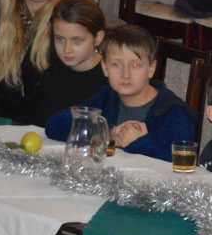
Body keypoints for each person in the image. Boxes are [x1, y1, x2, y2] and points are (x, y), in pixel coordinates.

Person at [45, 25, 196, 162]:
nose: (125, 74)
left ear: (151, 69)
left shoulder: (173, 113)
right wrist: (108, 132)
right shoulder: (106, 98)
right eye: (116, 64)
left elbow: (179, 164)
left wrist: (139, 142)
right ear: (105, 68)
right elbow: (55, 125)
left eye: (135, 65)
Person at [28, 0, 109, 127]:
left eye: (77, 40)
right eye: (60, 39)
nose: (67, 49)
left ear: (98, 38)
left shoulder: (112, 78)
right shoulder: (51, 77)